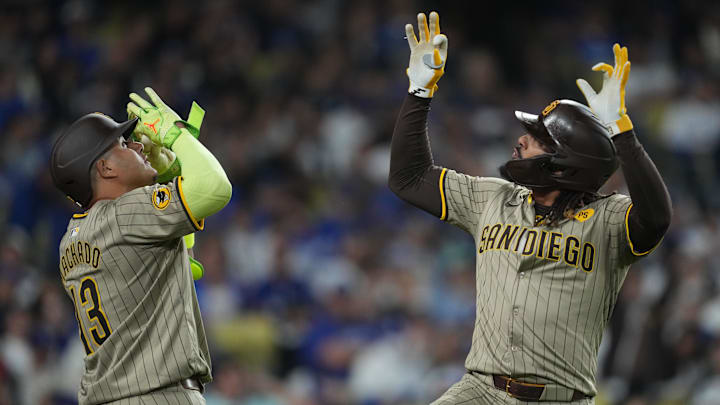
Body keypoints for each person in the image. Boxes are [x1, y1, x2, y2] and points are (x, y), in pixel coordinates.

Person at [389, 12, 672, 404]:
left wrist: (623, 133)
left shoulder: (607, 221)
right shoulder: (493, 198)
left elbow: (656, 218)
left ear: (565, 163)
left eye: (538, 137)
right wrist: (418, 93)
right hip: (480, 391)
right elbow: (407, 177)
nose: (522, 140)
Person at [50, 87, 232, 405]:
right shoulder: (126, 212)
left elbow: (173, 266)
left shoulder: (71, 239)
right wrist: (174, 134)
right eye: (123, 144)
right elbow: (215, 188)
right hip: (157, 395)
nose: (138, 144)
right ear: (106, 169)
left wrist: (168, 174)